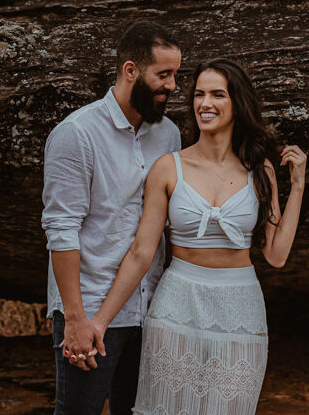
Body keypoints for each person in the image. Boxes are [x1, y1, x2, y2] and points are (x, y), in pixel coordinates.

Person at [90, 58, 307, 415]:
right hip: (177, 304)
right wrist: (100, 321)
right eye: (199, 95)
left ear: (237, 102)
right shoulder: (168, 167)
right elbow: (141, 253)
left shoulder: (260, 169)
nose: (205, 104)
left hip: (241, 309)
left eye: (217, 94)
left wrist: (297, 185)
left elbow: (277, 255)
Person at [41, 21, 183, 415]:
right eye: (164, 74)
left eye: (176, 75)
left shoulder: (169, 135)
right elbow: (61, 229)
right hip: (89, 311)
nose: (172, 86)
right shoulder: (77, 134)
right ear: (131, 71)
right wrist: (75, 320)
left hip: (151, 310)